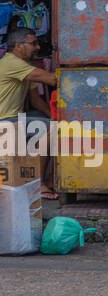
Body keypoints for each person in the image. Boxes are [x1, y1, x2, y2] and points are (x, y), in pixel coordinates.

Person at [0, 27, 58, 199]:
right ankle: (39, 184)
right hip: (5, 122)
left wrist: (53, 116)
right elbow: (53, 79)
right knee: (51, 129)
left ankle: (53, 181)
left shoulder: (23, 66)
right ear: (18, 45)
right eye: (33, 43)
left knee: (53, 124)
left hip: (14, 119)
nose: (37, 47)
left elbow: (35, 101)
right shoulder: (12, 63)